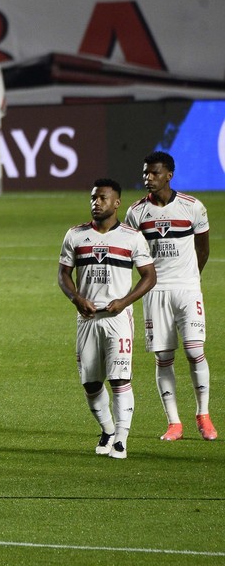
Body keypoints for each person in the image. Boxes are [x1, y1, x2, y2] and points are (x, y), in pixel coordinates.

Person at [58, 179, 157, 459]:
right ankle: (108, 430)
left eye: (102, 198)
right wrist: (77, 299)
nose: (96, 202)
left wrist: (124, 302)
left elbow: (150, 276)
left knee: (119, 378)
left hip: (118, 318)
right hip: (87, 319)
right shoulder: (75, 235)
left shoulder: (131, 237)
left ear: (116, 203)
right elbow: (63, 274)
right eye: (93, 198)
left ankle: (122, 439)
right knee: (90, 383)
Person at [124, 151, 215, 441]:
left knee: (194, 350)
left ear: (169, 175)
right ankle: (174, 422)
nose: (148, 178)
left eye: (154, 173)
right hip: (155, 291)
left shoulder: (193, 207)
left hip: (187, 288)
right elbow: (133, 255)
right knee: (163, 357)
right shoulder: (136, 213)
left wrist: (191, 277)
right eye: (145, 173)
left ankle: (203, 415)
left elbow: (203, 248)